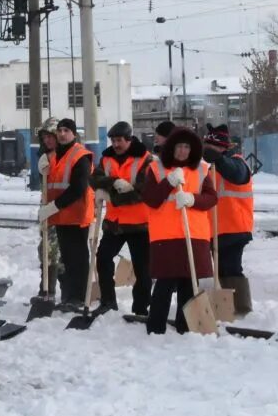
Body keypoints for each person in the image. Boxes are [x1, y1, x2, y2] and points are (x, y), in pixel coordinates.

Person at [135, 125, 219, 334]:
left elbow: (212, 198)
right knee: (165, 282)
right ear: (172, 147)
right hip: (166, 234)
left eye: (187, 147)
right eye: (179, 146)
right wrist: (169, 183)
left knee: (189, 283)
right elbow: (151, 199)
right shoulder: (156, 168)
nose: (183, 151)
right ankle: (156, 327)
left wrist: (193, 199)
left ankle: (186, 326)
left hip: (194, 234)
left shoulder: (202, 169)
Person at [89, 121, 153, 317]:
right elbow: (94, 179)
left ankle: (140, 307)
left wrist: (112, 197)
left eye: (119, 141)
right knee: (103, 259)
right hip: (114, 224)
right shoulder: (107, 159)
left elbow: (142, 191)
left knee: (143, 269)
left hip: (140, 224)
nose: (116, 144)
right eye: (113, 140)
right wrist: (113, 182)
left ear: (129, 139)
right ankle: (108, 301)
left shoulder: (145, 159)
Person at [41, 118, 96, 310]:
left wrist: (54, 206)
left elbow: (78, 188)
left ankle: (80, 297)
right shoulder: (57, 155)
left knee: (78, 258)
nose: (62, 134)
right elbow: (54, 183)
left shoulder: (80, 155)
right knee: (67, 258)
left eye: (66, 130)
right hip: (61, 215)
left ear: (73, 133)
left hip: (77, 215)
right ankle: (70, 296)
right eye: (60, 130)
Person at [203, 124, 255, 317]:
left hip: (235, 227)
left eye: (211, 147)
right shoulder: (211, 168)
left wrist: (218, 159)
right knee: (221, 269)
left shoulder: (237, 162)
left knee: (231, 268)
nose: (207, 151)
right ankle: (225, 306)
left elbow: (235, 173)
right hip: (216, 229)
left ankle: (241, 307)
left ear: (222, 147)